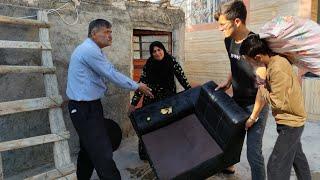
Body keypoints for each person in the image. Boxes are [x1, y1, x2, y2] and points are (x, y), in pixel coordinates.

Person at [66, 19, 153, 180]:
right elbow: (111, 74)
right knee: (102, 151)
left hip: (90, 106)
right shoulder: (88, 50)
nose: (110, 36)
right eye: (106, 32)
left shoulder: (95, 50)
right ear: (94, 33)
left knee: (88, 148)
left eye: (110, 32)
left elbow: (108, 72)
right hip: (83, 108)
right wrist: (136, 86)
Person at [239, 34, 311, 180]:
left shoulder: (276, 68)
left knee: (275, 166)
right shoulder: (273, 62)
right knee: (298, 159)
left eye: (249, 61)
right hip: (290, 119)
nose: (250, 64)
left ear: (258, 57)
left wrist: (261, 85)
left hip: (291, 123)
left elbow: (277, 101)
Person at [214, 1, 269, 179]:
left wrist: (253, 116)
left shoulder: (255, 44)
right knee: (230, 139)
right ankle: (229, 167)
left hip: (256, 104)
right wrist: (228, 81)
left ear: (237, 21)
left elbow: (263, 87)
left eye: (223, 24)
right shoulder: (228, 40)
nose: (219, 29)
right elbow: (235, 63)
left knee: (253, 154)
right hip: (237, 100)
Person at [128, 41, 192, 160]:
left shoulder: (171, 61)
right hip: (151, 100)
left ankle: (165, 151)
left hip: (168, 100)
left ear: (163, 49)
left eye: (159, 50)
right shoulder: (149, 64)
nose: (157, 53)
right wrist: (133, 103)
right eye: (154, 51)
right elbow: (141, 84)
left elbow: (181, 77)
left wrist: (190, 91)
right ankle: (145, 153)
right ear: (151, 54)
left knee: (167, 126)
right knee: (148, 127)